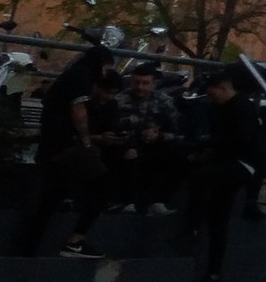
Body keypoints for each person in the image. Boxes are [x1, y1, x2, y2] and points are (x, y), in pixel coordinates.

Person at [13, 45, 113, 258]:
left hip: (53, 144)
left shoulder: (72, 74)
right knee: (104, 186)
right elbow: (78, 111)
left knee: (50, 199)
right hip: (65, 144)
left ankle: (27, 250)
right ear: (101, 64)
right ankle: (75, 241)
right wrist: (86, 142)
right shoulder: (83, 76)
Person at [187, 68, 264, 282]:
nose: (212, 99)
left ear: (223, 88)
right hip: (233, 163)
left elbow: (240, 139)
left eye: (213, 94)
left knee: (201, 179)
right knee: (217, 219)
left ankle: (191, 228)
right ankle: (214, 271)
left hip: (242, 164)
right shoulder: (229, 108)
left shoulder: (241, 107)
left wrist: (208, 144)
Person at [113, 62, 182, 216]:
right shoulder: (120, 100)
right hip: (126, 144)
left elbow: (177, 130)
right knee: (129, 156)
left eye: (145, 83)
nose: (141, 87)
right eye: (137, 82)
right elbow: (113, 128)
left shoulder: (164, 101)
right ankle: (127, 202)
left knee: (175, 153)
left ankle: (157, 201)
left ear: (153, 84)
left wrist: (159, 135)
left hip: (157, 144)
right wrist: (129, 144)